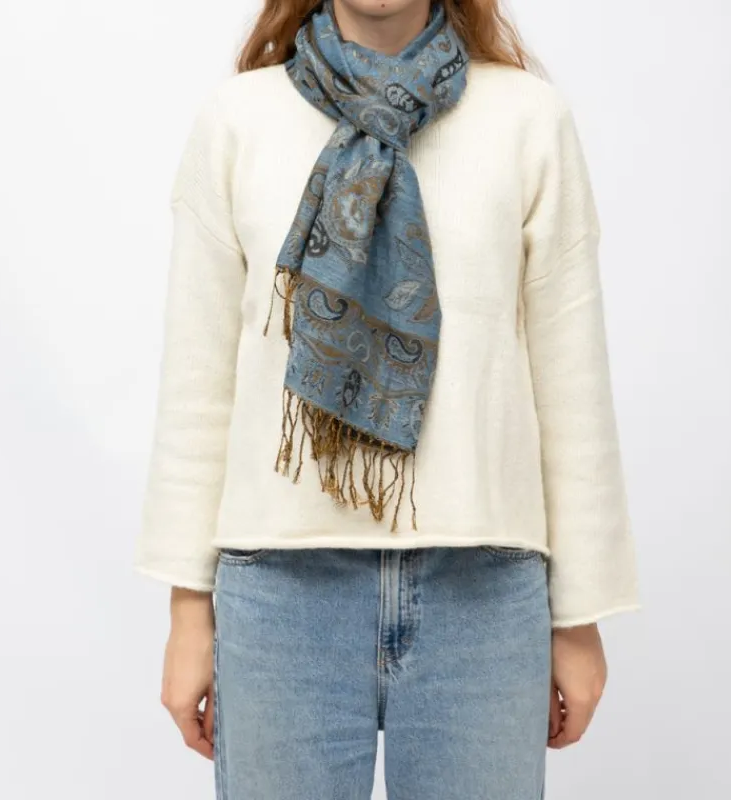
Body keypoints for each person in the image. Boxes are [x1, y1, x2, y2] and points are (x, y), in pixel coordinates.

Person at [134, 1, 640, 797]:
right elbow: (199, 380)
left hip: (483, 592)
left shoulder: (527, 119)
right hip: (281, 591)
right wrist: (187, 610)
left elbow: (570, 378)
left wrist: (579, 617)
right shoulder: (238, 120)